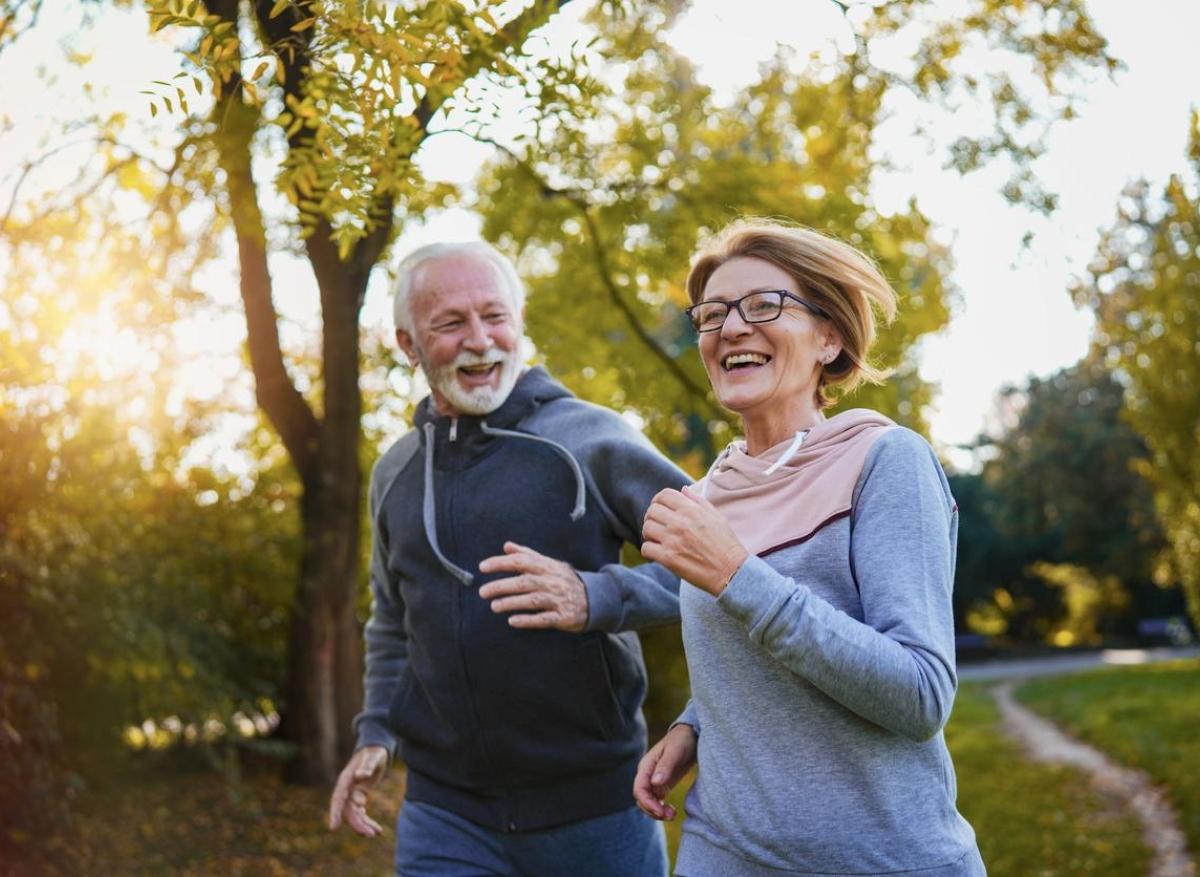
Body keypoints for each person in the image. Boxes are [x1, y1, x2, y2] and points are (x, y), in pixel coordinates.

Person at [632, 219, 987, 876]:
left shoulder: (885, 460)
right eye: (712, 315)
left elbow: (919, 694)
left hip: (884, 860)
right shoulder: (708, 494)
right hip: (723, 853)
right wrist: (697, 723)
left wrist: (738, 575)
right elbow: (749, 655)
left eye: (763, 305)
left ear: (829, 337)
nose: (730, 328)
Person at [326, 241, 688, 877]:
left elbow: (721, 567)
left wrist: (598, 596)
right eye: (450, 323)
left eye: (495, 316)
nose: (480, 339)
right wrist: (376, 732)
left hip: (595, 810)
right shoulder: (396, 473)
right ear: (408, 345)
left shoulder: (590, 438)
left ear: (519, 325)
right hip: (445, 814)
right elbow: (391, 622)